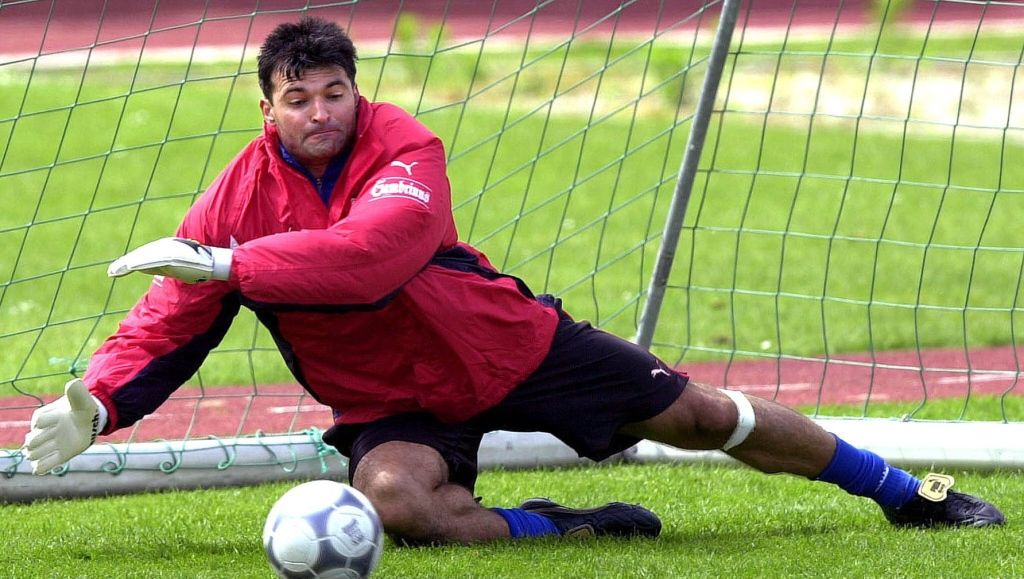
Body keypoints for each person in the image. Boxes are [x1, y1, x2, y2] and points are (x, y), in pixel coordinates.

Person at [23, 17, 1004, 544]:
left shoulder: (406, 146)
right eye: (298, 98)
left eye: (336, 92)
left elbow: (375, 256)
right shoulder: (236, 198)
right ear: (266, 106)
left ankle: (904, 492)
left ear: (354, 91)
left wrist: (237, 266)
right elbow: (168, 319)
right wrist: (102, 403)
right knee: (398, 505)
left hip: (508, 348)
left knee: (708, 419)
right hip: (391, 400)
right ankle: (561, 529)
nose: (322, 111)